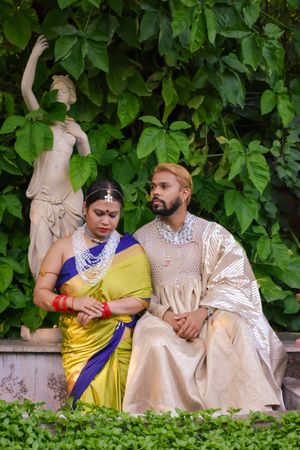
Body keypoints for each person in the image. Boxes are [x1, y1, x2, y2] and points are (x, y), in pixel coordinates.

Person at [123, 163, 287, 414]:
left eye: (164, 186)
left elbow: (234, 279)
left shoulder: (212, 233)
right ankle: (166, 416)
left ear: (185, 193)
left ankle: (248, 413)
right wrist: (166, 314)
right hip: (161, 317)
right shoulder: (141, 238)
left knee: (235, 326)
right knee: (154, 341)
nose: (155, 191)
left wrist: (201, 313)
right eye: (154, 186)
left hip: (208, 313)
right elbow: (136, 288)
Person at [34, 178, 152, 410]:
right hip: (81, 342)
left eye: (113, 215)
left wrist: (102, 309)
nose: (106, 221)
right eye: (99, 213)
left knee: (123, 414)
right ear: (84, 209)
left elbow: (142, 300)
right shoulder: (63, 247)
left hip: (118, 340)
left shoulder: (131, 249)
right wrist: (74, 302)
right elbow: (40, 295)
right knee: (86, 414)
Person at [21, 35, 91, 279]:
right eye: (54, 90)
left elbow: (86, 164)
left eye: (63, 90)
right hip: (44, 196)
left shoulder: (75, 128)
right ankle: (45, 300)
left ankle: (68, 301)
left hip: (69, 197)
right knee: (41, 252)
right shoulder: (42, 121)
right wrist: (35, 55)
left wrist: (83, 138)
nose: (58, 92)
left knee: (70, 254)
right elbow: (25, 89)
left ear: (71, 97)